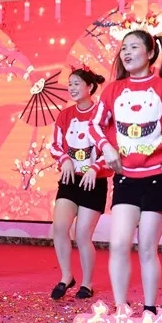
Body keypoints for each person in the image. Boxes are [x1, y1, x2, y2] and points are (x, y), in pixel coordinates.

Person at [90, 30, 162, 315]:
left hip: (158, 179)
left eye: (134, 47)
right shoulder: (114, 90)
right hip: (126, 178)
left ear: (151, 53)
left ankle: (150, 310)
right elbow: (94, 124)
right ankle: (121, 307)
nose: (126, 53)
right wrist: (106, 147)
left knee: (146, 248)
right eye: (123, 48)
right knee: (118, 244)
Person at [49, 67, 110, 300]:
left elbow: (112, 148)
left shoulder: (103, 115)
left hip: (94, 181)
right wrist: (64, 160)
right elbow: (56, 145)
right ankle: (66, 276)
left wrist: (95, 168)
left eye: (77, 83)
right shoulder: (65, 115)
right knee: (59, 227)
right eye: (70, 84)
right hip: (70, 180)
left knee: (82, 234)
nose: (72, 88)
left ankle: (87, 283)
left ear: (90, 87)